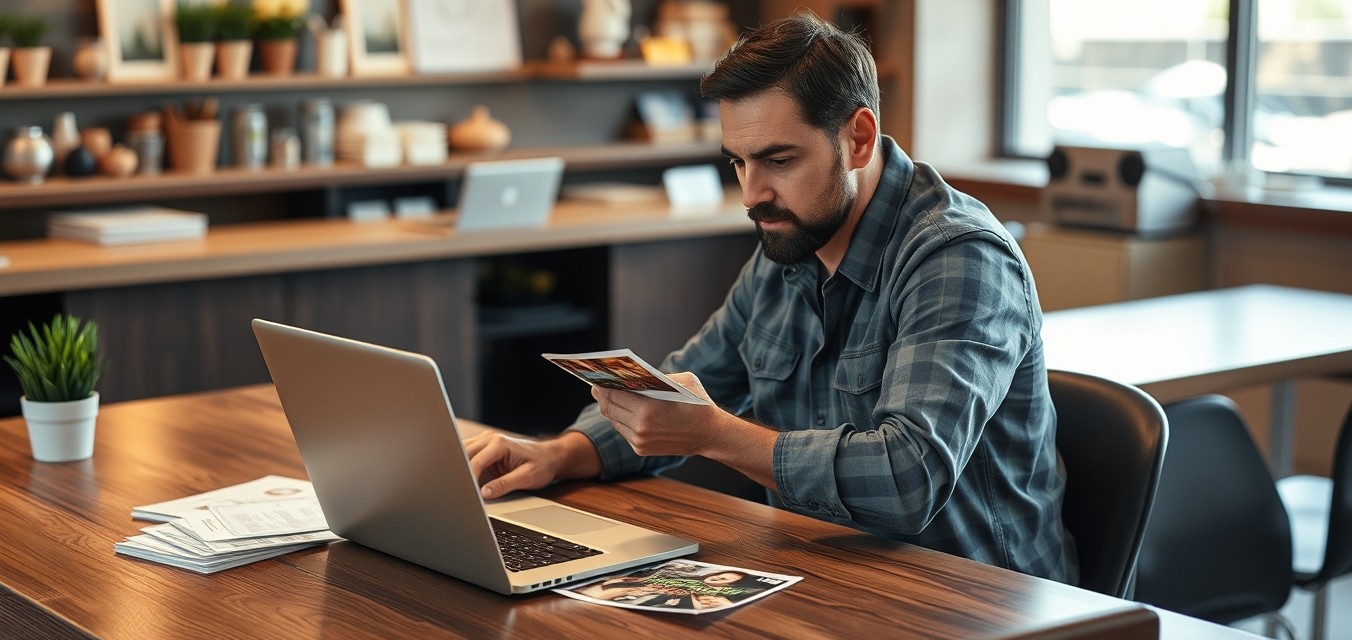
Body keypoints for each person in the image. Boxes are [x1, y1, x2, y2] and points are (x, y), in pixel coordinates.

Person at [467, 12, 1077, 584]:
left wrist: (713, 434)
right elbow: (676, 388)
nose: (751, 194)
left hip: (978, 599)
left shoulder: (958, 258)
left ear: (858, 138)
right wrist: (558, 453)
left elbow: (905, 478)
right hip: (831, 575)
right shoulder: (791, 240)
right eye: (738, 162)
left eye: (778, 160)